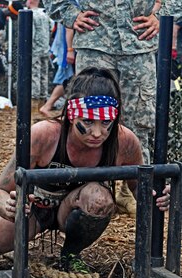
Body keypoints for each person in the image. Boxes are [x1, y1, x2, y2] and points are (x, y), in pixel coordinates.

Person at [0, 67, 170, 271]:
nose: (97, 133)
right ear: (72, 116)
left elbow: (140, 188)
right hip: (34, 211)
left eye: (106, 122)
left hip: (78, 206)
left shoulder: (124, 141)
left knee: (99, 198)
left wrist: (157, 195)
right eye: (88, 121)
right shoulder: (44, 136)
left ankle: (70, 254)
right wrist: (9, 206)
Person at [42, 0, 182, 164]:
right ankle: (89, 183)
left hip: (139, 47)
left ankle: (136, 184)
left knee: (140, 123)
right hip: (95, 46)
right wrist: (70, 14)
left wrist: (161, 16)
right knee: (89, 119)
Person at [40, 25, 75, 115]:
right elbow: (69, 28)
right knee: (66, 79)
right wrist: (70, 50)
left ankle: (48, 105)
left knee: (68, 78)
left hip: (68, 49)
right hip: (69, 50)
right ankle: (47, 106)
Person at [25, 0, 50, 102]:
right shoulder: (45, 15)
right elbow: (51, 29)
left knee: (34, 75)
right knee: (44, 74)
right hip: (45, 48)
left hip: (35, 49)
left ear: (30, 2)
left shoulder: (30, 15)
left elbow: (31, 34)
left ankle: (34, 101)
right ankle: (43, 99)